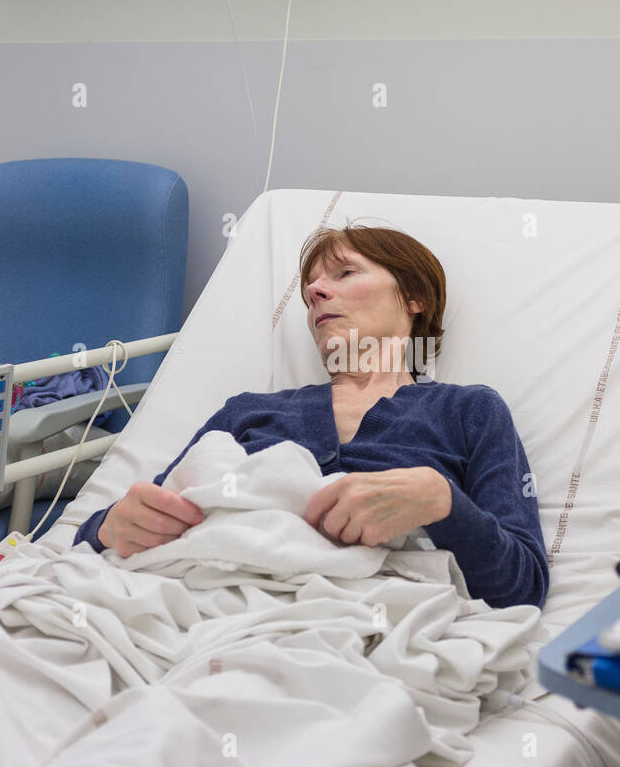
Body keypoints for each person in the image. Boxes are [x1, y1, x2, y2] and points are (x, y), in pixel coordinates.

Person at [74, 223, 549, 609]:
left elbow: (522, 585)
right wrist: (107, 526)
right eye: (310, 290)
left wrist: (442, 502)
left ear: (413, 298)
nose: (317, 291)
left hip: (367, 620)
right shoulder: (247, 411)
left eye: (344, 274)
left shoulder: (469, 411)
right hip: (204, 604)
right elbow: (125, 523)